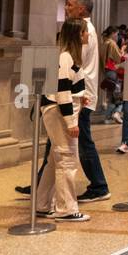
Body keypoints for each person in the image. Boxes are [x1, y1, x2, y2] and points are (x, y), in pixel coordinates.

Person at [16, 0, 111, 202]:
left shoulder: (85, 31)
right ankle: (41, 187)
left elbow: (74, 64)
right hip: (73, 94)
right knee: (55, 143)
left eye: (69, 5)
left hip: (78, 95)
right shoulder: (78, 29)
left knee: (81, 142)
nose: (66, 8)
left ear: (82, 9)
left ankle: (99, 185)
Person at [34, 18, 91, 222]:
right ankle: (66, 209)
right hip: (58, 111)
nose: (87, 35)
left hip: (61, 109)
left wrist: (80, 96)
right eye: (84, 32)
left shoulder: (70, 57)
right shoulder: (66, 57)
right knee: (66, 158)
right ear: (77, 34)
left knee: (54, 160)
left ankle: (41, 204)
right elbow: (62, 91)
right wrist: (70, 122)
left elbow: (69, 88)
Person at [98, 26, 123, 124]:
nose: (117, 37)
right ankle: (115, 113)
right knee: (117, 97)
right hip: (113, 71)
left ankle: (107, 117)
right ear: (113, 33)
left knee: (110, 96)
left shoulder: (104, 43)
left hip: (106, 72)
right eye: (117, 34)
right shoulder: (112, 43)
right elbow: (118, 58)